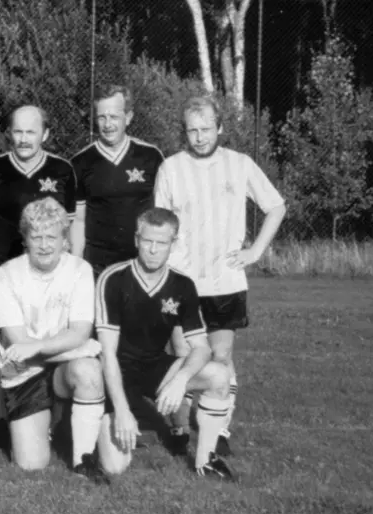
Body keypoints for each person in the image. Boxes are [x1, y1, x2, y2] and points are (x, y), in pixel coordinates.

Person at [153, 95, 286, 457]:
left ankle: (219, 428)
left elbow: (276, 206)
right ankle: (180, 427)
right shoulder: (170, 168)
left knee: (221, 355)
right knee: (185, 354)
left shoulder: (239, 164)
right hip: (181, 280)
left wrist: (255, 252)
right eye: (192, 130)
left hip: (225, 281)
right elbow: (161, 225)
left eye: (206, 129)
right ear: (184, 132)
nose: (199, 137)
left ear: (220, 128)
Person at [94, 207, 235, 481]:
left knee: (219, 375)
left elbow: (202, 347)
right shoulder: (113, 279)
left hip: (154, 367)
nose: (153, 249)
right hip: (114, 372)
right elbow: (107, 354)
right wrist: (122, 411)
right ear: (136, 239)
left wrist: (180, 380)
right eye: (147, 241)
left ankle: (205, 460)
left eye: (161, 242)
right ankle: (104, 418)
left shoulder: (182, 285)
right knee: (114, 467)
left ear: (173, 243)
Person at [0, 198, 108, 484]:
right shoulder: (5, 275)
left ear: (64, 239)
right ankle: (54, 422)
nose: (44, 245)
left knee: (88, 370)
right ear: (25, 239)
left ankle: (83, 460)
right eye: (36, 237)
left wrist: (43, 346)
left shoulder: (80, 269)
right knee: (31, 464)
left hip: (61, 369)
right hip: (23, 372)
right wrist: (77, 349)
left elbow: (79, 331)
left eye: (51, 237)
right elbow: (20, 345)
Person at [70, 84, 165, 277]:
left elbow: (164, 213)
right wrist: (76, 265)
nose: (107, 124)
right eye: (101, 117)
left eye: (114, 117)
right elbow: (78, 221)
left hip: (144, 264)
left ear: (128, 117)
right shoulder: (80, 162)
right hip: (98, 267)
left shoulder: (151, 157)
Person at [0, 105, 77, 266]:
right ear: (10, 133)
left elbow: (70, 222)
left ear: (45, 134)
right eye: (18, 132)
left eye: (31, 132)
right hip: (7, 266)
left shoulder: (62, 169)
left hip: (50, 266)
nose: (23, 140)